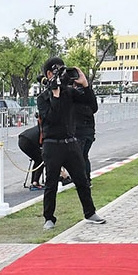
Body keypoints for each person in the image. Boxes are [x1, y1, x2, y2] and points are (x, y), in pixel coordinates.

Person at [35, 57, 106, 232]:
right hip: (52, 145)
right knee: (51, 184)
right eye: (56, 71)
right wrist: (55, 94)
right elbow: (53, 117)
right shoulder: (42, 98)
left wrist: (85, 85)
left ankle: (90, 213)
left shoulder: (70, 93)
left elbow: (92, 106)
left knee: (82, 180)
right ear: (49, 74)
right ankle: (49, 218)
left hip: (71, 143)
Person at [75, 94, 97, 185]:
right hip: (89, 134)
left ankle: (83, 180)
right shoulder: (90, 108)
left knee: (80, 158)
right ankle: (87, 179)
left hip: (80, 134)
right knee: (84, 156)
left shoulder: (76, 107)